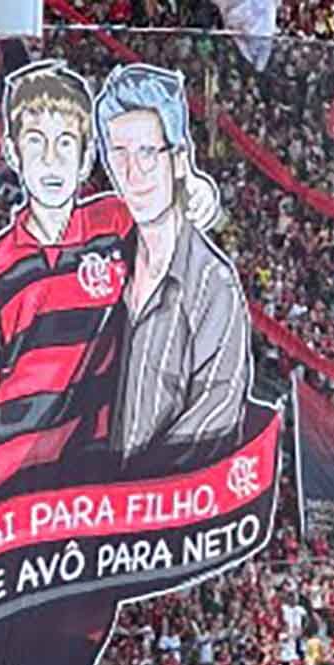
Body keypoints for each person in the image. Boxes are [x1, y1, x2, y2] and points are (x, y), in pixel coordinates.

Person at [0, 60, 217, 515]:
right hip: (13, 491)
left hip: (91, 487)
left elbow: (188, 210)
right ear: (14, 154)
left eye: (65, 143)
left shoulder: (114, 221)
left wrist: (195, 187)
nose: (51, 160)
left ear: (87, 155)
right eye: (36, 143)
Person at [94, 64, 251, 469]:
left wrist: (130, 495)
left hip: (160, 515)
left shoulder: (212, 285)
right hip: (91, 510)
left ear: (179, 159)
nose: (133, 173)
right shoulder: (100, 266)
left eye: (148, 153)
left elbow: (215, 414)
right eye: (119, 154)